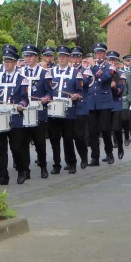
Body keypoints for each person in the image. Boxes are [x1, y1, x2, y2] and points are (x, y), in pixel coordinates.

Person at [0, 47, 30, 184]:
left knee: (16, 147)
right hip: (0, 117)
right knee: (1, 148)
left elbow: (25, 98)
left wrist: (21, 104)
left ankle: (21, 170)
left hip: (15, 117)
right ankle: (3, 175)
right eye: (5, 61)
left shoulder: (22, 79)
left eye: (9, 61)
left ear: (15, 63)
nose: (7, 64)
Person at [47, 46, 84, 174]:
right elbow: (47, 90)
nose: (61, 58)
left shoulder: (76, 73)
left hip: (68, 109)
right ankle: (56, 164)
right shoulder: (50, 72)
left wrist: (76, 96)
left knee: (68, 137)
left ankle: (72, 162)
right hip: (53, 110)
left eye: (64, 56)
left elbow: (80, 92)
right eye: (59, 56)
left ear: (69, 58)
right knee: (54, 139)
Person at [20, 44, 52, 179]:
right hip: (23, 112)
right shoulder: (19, 73)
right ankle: (25, 170)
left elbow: (50, 93)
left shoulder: (44, 73)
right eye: (26, 56)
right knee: (23, 143)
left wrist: (46, 98)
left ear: (36, 57)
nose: (27, 58)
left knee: (40, 143)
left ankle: (43, 166)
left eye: (30, 56)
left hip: (39, 112)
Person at [86, 43, 115, 166]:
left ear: (105, 54)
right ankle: (95, 157)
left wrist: (93, 66)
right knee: (92, 131)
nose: (99, 55)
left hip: (104, 102)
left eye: (101, 53)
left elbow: (104, 78)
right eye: (97, 53)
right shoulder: (88, 67)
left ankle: (109, 153)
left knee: (105, 129)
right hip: (92, 102)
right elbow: (85, 81)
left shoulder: (110, 67)